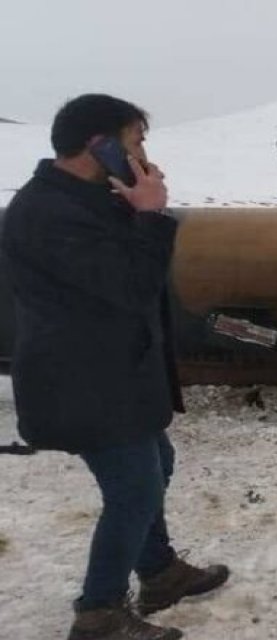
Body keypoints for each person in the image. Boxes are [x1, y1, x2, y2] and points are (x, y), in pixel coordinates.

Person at [0, 94, 229, 640]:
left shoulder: (83, 198)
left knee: (158, 464)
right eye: (135, 142)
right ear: (97, 145)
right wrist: (151, 216)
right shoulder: (47, 213)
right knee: (134, 492)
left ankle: (158, 571)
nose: (144, 153)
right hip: (80, 381)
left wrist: (134, 203)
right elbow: (128, 289)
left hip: (115, 374)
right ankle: (99, 612)